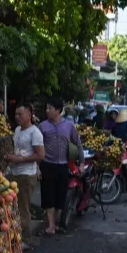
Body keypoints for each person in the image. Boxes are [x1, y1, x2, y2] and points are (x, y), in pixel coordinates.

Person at [37, 96, 81, 236]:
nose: (47, 110)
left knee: (59, 197)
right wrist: (37, 167)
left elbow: (77, 143)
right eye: (46, 108)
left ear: (58, 110)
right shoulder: (42, 126)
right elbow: (37, 148)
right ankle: (51, 225)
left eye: (50, 108)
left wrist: (82, 163)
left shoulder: (69, 126)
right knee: (48, 196)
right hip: (47, 165)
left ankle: (55, 222)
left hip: (63, 166)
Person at [4, 103, 45, 248]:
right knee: (15, 207)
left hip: (27, 175)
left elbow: (40, 155)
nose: (17, 117)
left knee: (23, 207)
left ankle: (26, 240)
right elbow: (19, 150)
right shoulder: (17, 130)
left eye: (20, 114)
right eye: (15, 114)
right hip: (15, 172)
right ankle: (17, 237)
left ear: (29, 115)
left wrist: (19, 159)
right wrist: (11, 157)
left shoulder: (35, 133)